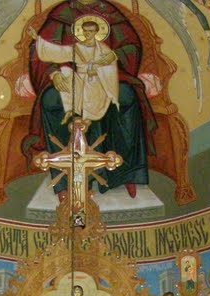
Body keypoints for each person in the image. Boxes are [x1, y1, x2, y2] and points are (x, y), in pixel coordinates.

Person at [25, 1, 155, 198]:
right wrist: (54, 74)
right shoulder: (62, 14)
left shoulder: (110, 13)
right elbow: (45, 51)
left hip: (107, 76)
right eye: (85, 32)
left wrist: (113, 56)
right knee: (51, 100)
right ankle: (65, 181)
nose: (88, 35)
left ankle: (125, 172)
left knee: (127, 96)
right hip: (72, 78)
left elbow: (132, 48)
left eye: (91, 31)